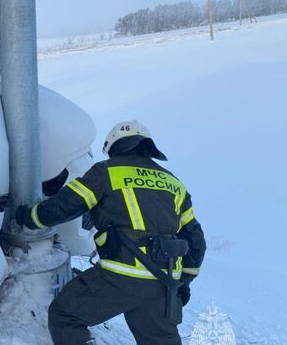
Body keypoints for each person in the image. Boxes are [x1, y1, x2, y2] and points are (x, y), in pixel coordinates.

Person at [17, 121, 206, 345]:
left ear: (114, 147)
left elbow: (67, 205)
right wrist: (183, 282)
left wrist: (29, 218)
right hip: (163, 282)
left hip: (121, 276)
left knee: (65, 315)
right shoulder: (174, 183)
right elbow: (196, 240)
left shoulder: (106, 172)